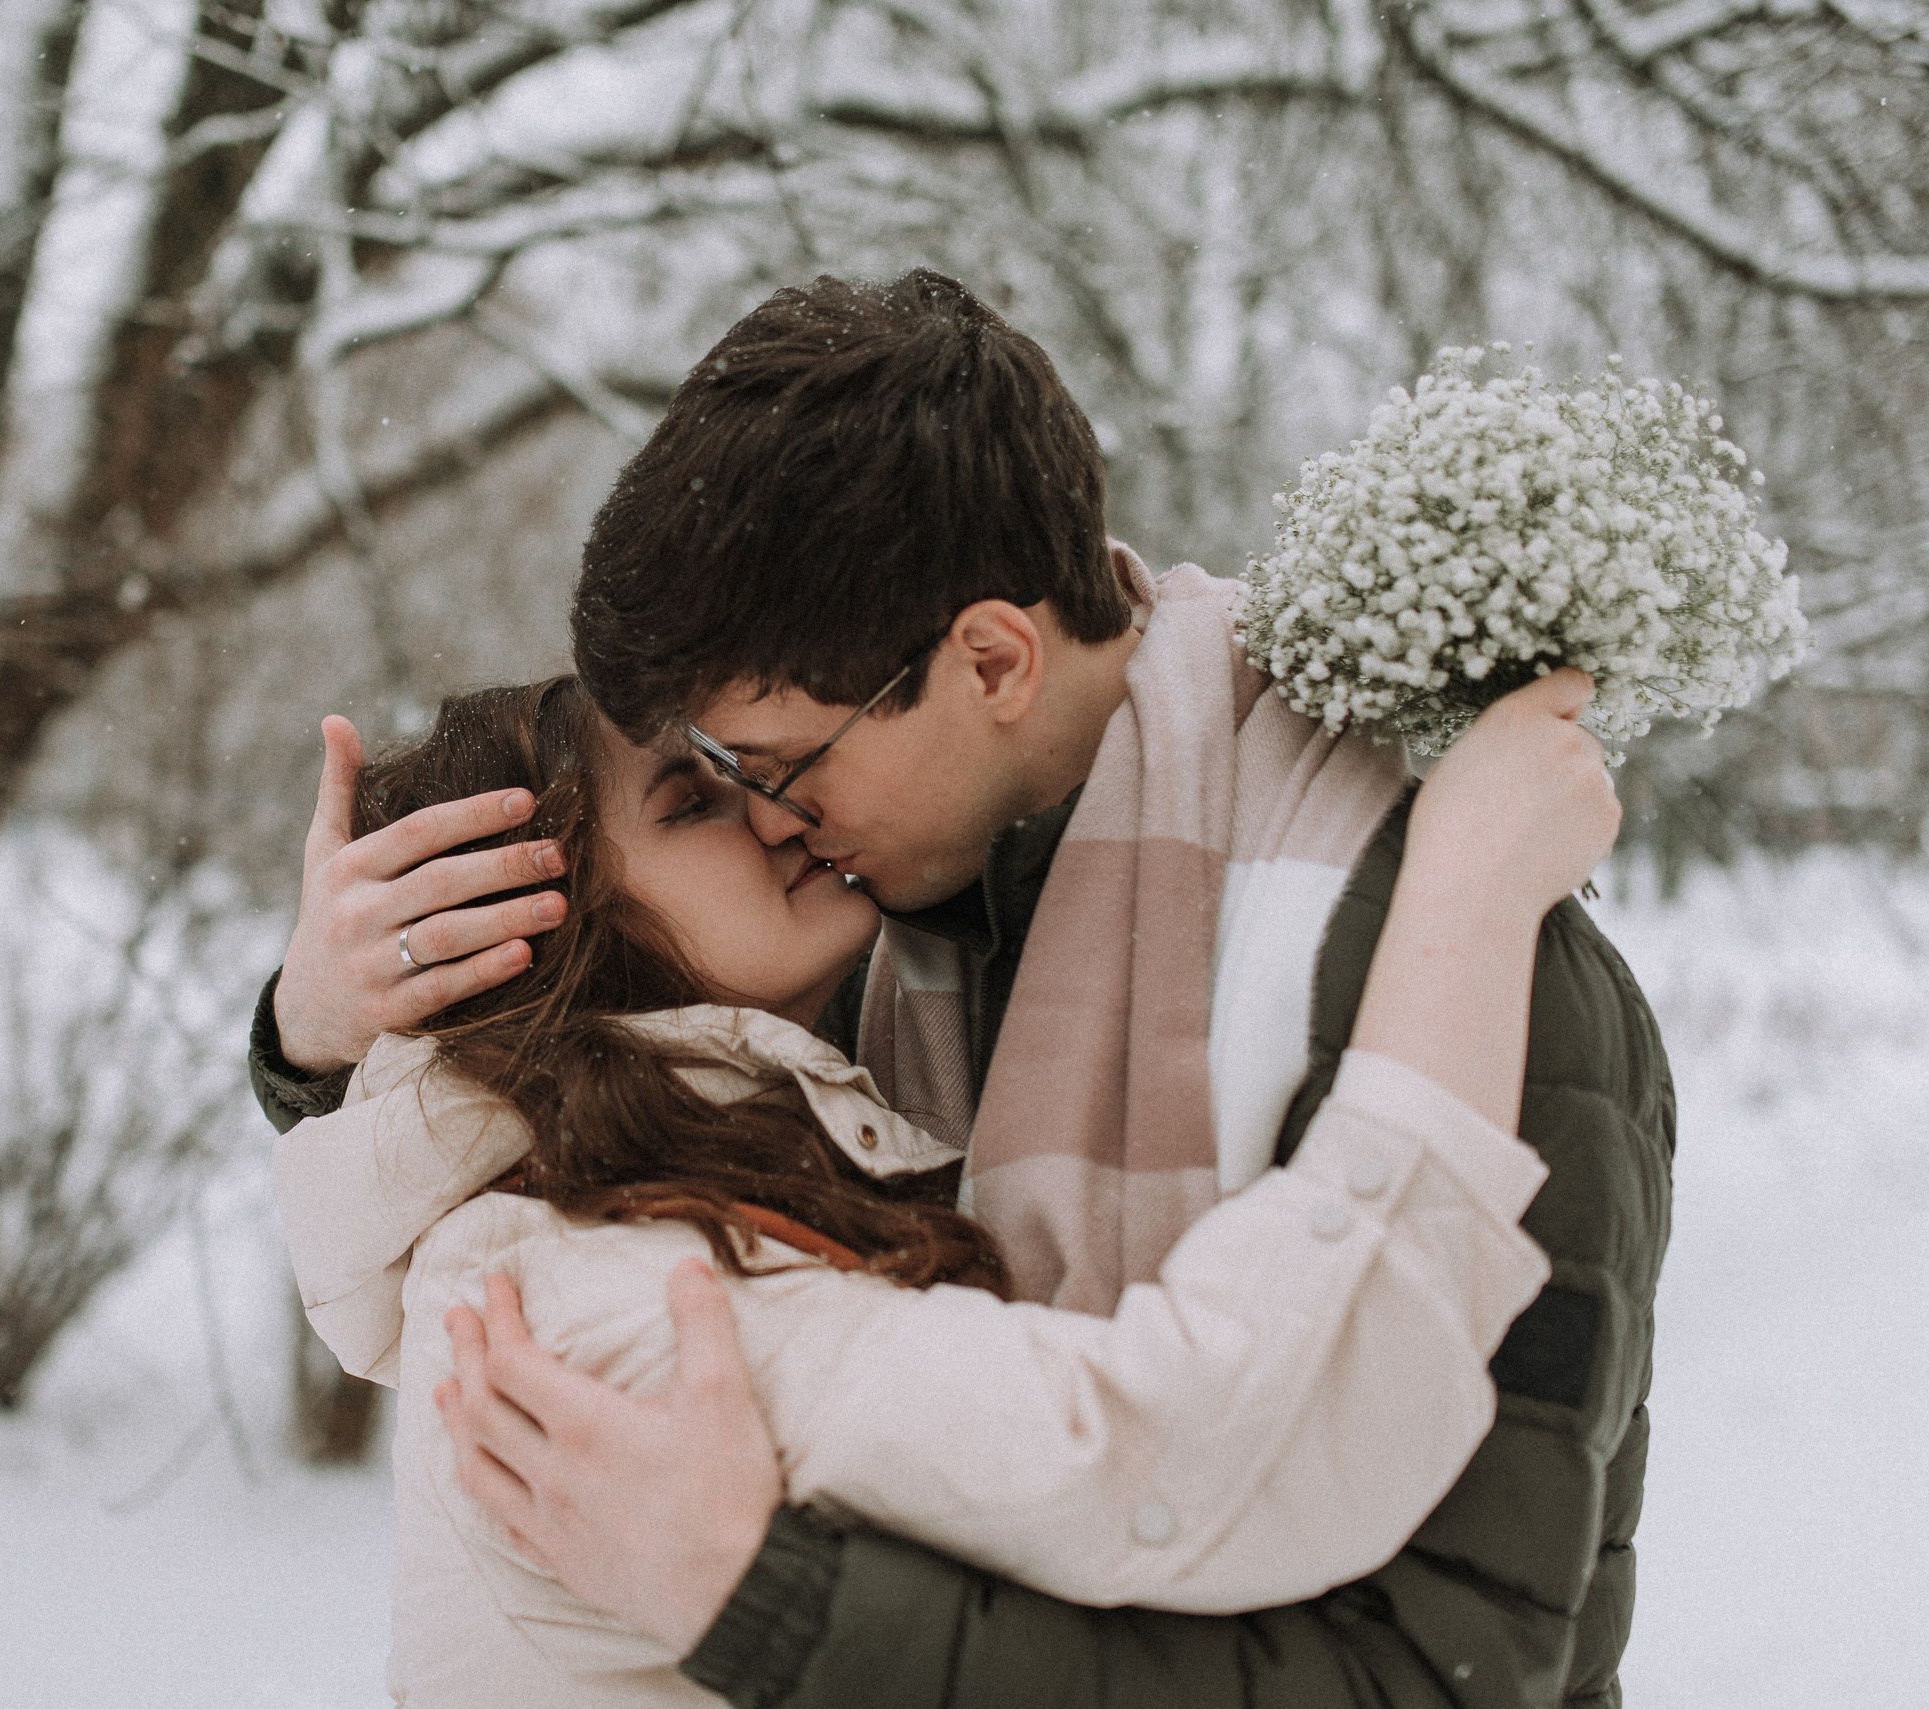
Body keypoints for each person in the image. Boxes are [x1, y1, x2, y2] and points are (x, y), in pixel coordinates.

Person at [251, 270, 1671, 1709]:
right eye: (713, 787)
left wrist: (778, 1608)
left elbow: (1436, 1668)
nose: (769, 824)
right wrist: (327, 1024)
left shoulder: (1443, 946)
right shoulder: (864, 959)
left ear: (991, 658)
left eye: (777, 768)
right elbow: (549, 1095)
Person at [274, 668, 1614, 1706]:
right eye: (692, 803)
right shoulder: (621, 1299)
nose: (773, 805)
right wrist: (1469, 896)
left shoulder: (677, 1159)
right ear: (546, 949)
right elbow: (1169, 1448)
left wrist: (313, 1035)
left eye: (741, 764)